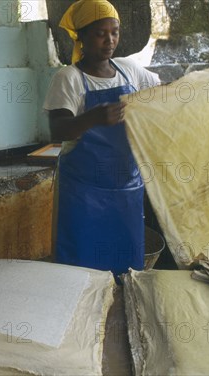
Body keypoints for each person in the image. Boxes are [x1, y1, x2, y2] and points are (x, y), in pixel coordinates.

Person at [43, 0, 161, 276]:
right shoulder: (69, 78)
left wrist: (207, 80)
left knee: (126, 269)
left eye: (114, 32)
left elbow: (163, 93)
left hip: (127, 191)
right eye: (100, 33)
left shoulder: (128, 71)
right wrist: (93, 118)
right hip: (83, 195)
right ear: (81, 36)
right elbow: (58, 130)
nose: (109, 40)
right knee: (80, 269)